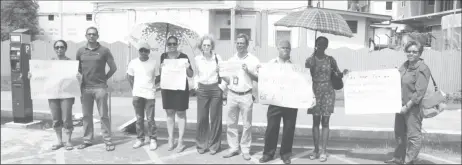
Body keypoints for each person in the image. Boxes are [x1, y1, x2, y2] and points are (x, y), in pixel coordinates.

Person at [384, 41, 431, 165]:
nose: (411, 53)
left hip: (413, 108)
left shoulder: (422, 68)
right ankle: (398, 157)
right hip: (399, 105)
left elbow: (419, 92)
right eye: (409, 51)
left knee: (413, 136)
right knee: (399, 133)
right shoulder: (404, 66)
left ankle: (409, 160)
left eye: (414, 52)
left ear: (420, 53)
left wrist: (407, 106)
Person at [28, 40, 78, 151]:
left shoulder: (71, 64)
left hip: (67, 95)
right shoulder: (49, 63)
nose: (59, 49)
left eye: (61, 47)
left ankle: (69, 140)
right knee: (56, 118)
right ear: (54, 49)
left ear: (65, 48)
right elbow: (41, 75)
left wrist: (78, 77)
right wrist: (32, 75)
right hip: (53, 94)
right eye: (57, 47)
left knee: (67, 118)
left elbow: (76, 79)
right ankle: (59, 141)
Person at [304, 36, 347, 162]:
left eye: (324, 44)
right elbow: (305, 77)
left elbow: (337, 74)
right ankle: (316, 150)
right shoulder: (309, 61)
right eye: (319, 43)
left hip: (328, 92)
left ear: (326, 46)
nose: (321, 46)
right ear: (316, 44)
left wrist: (343, 73)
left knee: (326, 122)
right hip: (314, 93)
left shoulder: (331, 60)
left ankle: (323, 151)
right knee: (315, 122)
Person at [76, 27, 117, 151]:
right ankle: (87, 140)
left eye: (94, 34)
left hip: (100, 88)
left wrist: (104, 79)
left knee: (104, 115)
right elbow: (77, 69)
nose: (91, 36)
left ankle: (108, 141)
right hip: (85, 88)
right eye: (89, 34)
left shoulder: (104, 51)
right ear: (86, 36)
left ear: (98, 36)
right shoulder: (80, 51)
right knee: (86, 116)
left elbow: (113, 68)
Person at [257, 40, 297, 164]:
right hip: (275, 101)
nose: (285, 50)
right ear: (278, 48)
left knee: (289, 128)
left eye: (288, 48)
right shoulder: (270, 64)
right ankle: (268, 153)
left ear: (290, 50)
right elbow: (263, 78)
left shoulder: (295, 66)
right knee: (271, 128)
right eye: (283, 47)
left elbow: (299, 83)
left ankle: (285, 154)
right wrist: (259, 70)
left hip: (290, 102)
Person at [222, 33, 260, 161]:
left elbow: (259, 78)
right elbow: (228, 79)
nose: (239, 45)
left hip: (246, 95)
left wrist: (248, 71)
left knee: (247, 125)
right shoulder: (231, 60)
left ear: (247, 45)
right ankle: (233, 148)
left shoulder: (253, 60)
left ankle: (245, 149)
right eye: (238, 43)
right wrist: (220, 74)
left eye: (242, 43)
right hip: (232, 94)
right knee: (231, 123)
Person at [159, 36, 194, 153]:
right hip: (168, 88)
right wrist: (161, 69)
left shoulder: (184, 57)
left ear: (177, 44)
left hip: (180, 89)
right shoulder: (163, 57)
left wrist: (188, 68)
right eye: (169, 44)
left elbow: (190, 74)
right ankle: (171, 138)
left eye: (174, 44)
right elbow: (162, 74)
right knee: (169, 112)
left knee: (181, 113)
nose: (172, 46)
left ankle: (181, 140)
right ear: (167, 45)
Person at [193, 35, 226, 155]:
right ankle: (201, 144)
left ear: (212, 46)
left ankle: (214, 145)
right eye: (204, 45)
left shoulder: (217, 58)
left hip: (215, 89)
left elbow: (224, 73)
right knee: (202, 118)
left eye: (208, 45)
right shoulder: (197, 59)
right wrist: (196, 86)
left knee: (215, 118)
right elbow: (196, 74)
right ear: (201, 46)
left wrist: (221, 88)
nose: (206, 47)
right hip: (202, 89)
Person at [127, 42, 159, 150]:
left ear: (149, 52)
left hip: (149, 94)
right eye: (141, 50)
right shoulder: (133, 62)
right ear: (138, 51)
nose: (143, 52)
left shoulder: (154, 63)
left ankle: (153, 139)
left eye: (146, 50)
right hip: (137, 94)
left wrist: (153, 86)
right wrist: (134, 89)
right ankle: (140, 139)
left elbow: (158, 77)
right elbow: (130, 77)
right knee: (139, 118)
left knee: (150, 119)